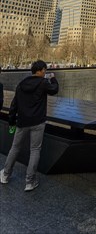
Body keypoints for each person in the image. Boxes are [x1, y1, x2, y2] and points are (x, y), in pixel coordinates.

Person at [0, 60, 59, 191]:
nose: (45, 73)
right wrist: (53, 79)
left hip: (22, 122)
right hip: (38, 122)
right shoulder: (43, 83)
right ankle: (29, 181)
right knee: (35, 150)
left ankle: (5, 175)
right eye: (45, 70)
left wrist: (11, 121)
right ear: (41, 70)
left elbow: (14, 104)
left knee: (15, 148)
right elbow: (54, 90)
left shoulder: (21, 84)